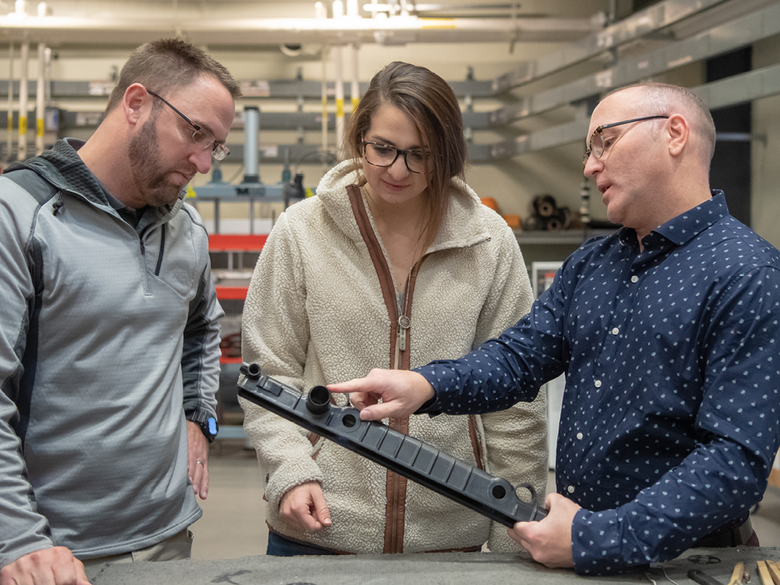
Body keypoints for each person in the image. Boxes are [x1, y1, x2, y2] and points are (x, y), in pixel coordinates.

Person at [331, 82, 780, 575]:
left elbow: (735, 461)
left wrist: (598, 537)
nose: (590, 166)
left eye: (605, 142)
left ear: (674, 134)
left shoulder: (748, 275)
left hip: (687, 564)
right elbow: (519, 358)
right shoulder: (592, 265)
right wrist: (425, 384)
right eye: (589, 151)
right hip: (579, 553)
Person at [239, 61, 547, 556]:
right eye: (382, 149)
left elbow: (515, 399)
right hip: (320, 531)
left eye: (420, 155)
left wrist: (515, 528)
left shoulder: (488, 241)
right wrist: (290, 471)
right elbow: (270, 371)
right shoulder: (301, 232)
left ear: (447, 154)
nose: (398, 170)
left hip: (450, 537)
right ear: (360, 137)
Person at [0, 38, 240, 584]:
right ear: (136, 104)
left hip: (166, 538)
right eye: (196, 133)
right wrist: (14, 538)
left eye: (217, 146)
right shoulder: (19, 215)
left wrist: (196, 414)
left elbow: (201, 329)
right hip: (50, 551)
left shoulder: (187, 230)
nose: (203, 162)